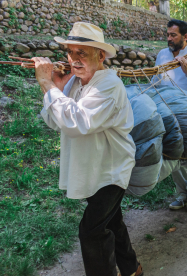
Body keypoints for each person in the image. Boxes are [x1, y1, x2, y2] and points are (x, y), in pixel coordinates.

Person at [33, 22, 143, 276]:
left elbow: (79, 122)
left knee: (92, 230)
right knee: (111, 221)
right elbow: (56, 121)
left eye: (82, 53)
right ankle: (132, 269)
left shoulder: (109, 85)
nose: (74, 60)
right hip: (91, 166)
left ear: (100, 55)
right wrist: (56, 89)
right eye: (70, 53)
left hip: (111, 168)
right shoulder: (75, 83)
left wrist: (49, 87)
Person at [152, 19, 187, 210]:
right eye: (168, 34)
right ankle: (181, 192)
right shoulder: (162, 55)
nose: (169, 38)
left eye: (173, 35)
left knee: (186, 153)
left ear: (185, 36)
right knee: (171, 151)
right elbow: (156, 80)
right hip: (165, 109)